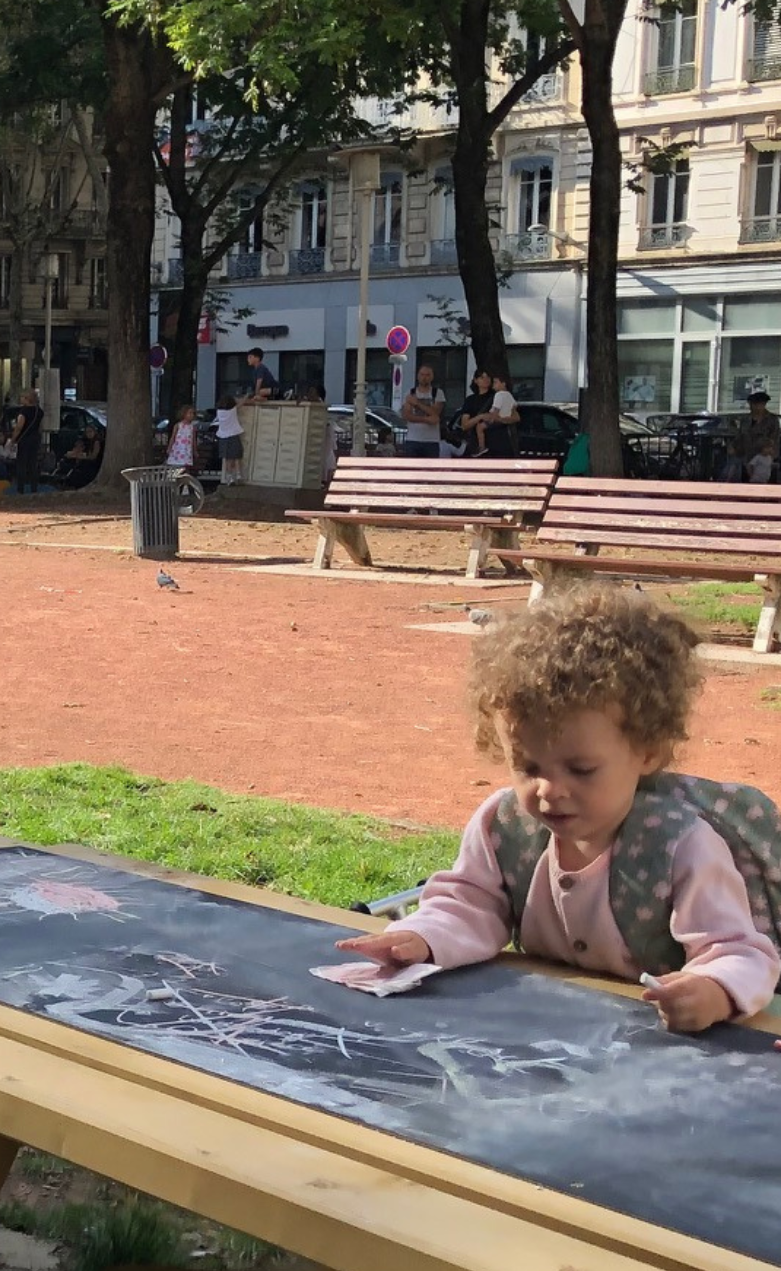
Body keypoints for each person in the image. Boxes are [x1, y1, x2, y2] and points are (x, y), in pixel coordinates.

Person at [335, 588, 780, 1032]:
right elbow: (470, 905)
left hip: (665, 1049)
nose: (550, 790)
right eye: (528, 767)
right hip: (547, 1035)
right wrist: (422, 938)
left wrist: (713, 990)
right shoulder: (503, 825)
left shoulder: (680, 844)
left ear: (648, 752)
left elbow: (738, 952)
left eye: (581, 769)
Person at [730, 392, 780, 484]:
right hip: (747, 458)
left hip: (764, 460)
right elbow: (740, 436)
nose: (754, 407)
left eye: (757, 404)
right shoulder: (746, 419)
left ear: (763, 404)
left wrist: (770, 455)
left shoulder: (772, 420)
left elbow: (775, 439)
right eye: (751, 404)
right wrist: (734, 446)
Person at [401, 365, 446, 457]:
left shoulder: (438, 393)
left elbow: (435, 413)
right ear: (418, 376)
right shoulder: (410, 393)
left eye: (427, 375)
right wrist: (426, 419)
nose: (424, 378)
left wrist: (417, 404)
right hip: (413, 439)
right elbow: (407, 415)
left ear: (432, 377)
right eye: (422, 374)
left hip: (432, 440)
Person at [447, 371, 493, 459]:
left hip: (496, 440)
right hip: (475, 443)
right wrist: (480, 417)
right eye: (482, 377)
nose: (486, 380)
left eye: (488, 377)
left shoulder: (496, 397)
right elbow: (464, 425)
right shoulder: (471, 400)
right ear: (475, 380)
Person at [11, 387, 45, 494]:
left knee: (22, 464)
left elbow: (19, 427)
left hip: (24, 439)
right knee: (32, 464)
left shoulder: (23, 411)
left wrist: (13, 439)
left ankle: (20, 489)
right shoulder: (39, 411)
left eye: (22, 397)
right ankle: (34, 488)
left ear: (27, 398)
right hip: (35, 439)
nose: (20, 399)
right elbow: (40, 427)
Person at [215, 392, 244, 485]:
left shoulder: (219, 412)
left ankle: (230, 478)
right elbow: (242, 403)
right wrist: (246, 396)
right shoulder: (233, 410)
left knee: (228, 459)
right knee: (237, 456)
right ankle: (238, 475)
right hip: (233, 436)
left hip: (223, 438)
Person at [166, 404, 197, 472]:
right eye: (189, 413)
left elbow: (193, 439)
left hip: (187, 450)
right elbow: (173, 437)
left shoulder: (192, 427)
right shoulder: (178, 425)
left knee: (186, 466)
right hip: (178, 449)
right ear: (184, 414)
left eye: (193, 413)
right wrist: (169, 448)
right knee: (176, 466)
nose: (191, 415)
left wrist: (195, 451)